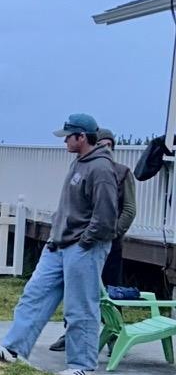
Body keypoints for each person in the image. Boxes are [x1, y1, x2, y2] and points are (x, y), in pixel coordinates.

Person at [0, 113, 119, 375]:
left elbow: (106, 215)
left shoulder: (100, 168)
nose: (65, 140)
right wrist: (56, 237)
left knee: (80, 306)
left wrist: (85, 241)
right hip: (59, 245)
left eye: (69, 136)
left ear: (82, 137)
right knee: (34, 294)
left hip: (83, 247)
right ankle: (12, 348)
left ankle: (83, 364)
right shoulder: (78, 163)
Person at [47, 127, 137, 350]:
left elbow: (129, 209)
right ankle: (71, 335)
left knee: (111, 289)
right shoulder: (84, 168)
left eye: (109, 145)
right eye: (102, 144)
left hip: (109, 243)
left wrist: (114, 232)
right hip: (82, 242)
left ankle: (114, 336)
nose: (105, 148)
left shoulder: (122, 172)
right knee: (77, 290)